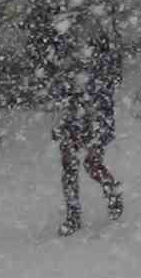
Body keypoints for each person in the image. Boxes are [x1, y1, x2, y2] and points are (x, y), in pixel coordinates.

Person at [53, 15, 124, 236]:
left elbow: (104, 92)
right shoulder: (66, 53)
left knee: (91, 164)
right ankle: (73, 215)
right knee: (69, 168)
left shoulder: (101, 57)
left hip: (93, 119)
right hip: (73, 119)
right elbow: (59, 89)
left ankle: (111, 191)